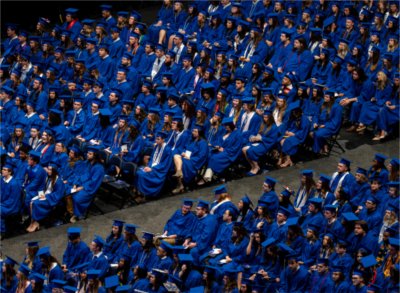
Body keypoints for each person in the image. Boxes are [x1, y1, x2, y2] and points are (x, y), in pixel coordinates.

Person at [68, 145, 105, 223]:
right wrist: (75, 183)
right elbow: (79, 174)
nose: (87, 155)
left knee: (77, 198)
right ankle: (70, 211)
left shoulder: (99, 168)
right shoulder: (86, 163)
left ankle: (78, 214)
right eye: (88, 153)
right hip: (80, 183)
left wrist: (81, 188)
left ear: (95, 156)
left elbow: (93, 183)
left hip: (89, 188)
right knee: (68, 190)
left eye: (90, 154)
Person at [26, 162, 66, 232]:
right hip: (46, 196)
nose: (48, 171)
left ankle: (35, 222)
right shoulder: (49, 178)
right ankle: (33, 222)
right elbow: (44, 188)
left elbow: (58, 195)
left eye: (50, 170)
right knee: (31, 201)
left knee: (35, 203)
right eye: (48, 169)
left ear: (54, 171)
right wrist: (41, 194)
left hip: (52, 199)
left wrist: (46, 196)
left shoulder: (58, 181)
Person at [134, 131, 172, 202]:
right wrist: (148, 166)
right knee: (138, 171)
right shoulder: (156, 146)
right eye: (156, 139)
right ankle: (138, 192)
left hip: (159, 171)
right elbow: (152, 159)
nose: (156, 141)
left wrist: (152, 169)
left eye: (158, 139)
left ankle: (144, 195)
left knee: (142, 175)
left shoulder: (167, 149)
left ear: (163, 140)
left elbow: (164, 164)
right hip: (152, 167)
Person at [183, 200, 218, 265]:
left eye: (198, 209)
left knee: (193, 251)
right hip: (193, 242)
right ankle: (185, 267)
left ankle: (195, 268)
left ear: (204, 210)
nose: (196, 211)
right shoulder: (197, 217)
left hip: (205, 246)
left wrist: (196, 244)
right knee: (181, 248)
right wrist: (187, 240)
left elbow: (207, 237)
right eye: (196, 209)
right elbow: (191, 230)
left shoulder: (210, 220)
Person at [0, 162, 22, 235]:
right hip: (3, 203)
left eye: (5, 170)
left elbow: (13, 200)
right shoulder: (2, 180)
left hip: (11, 206)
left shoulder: (14, 184)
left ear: (10, 172)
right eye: (2, 169)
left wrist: (1, 204)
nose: (2, 171)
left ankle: (2, 232)